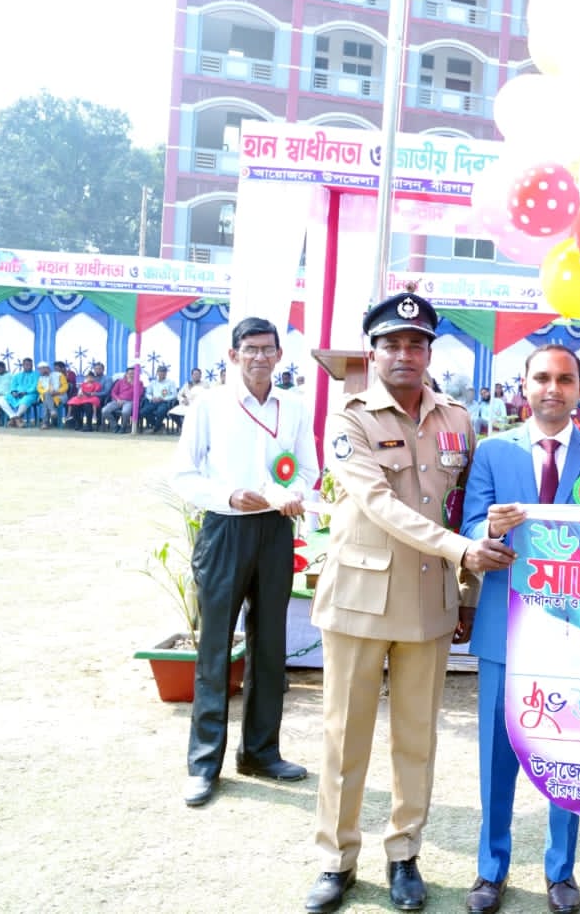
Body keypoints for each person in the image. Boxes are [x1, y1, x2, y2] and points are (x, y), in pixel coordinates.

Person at [305, 293, 512, 914]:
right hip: (361, 599)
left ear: (429, 353)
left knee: (416, 738)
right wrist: (461, 550)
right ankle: (336, 859)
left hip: (427, 598)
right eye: (392, 344)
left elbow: (466, 507)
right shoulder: (351, 419)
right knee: (347, 737)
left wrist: (469, 582)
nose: (404, 354)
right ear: (373, 352)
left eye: (415, 344)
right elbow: (377, 503)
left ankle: (404, 855)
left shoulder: (456, 419)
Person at [458, 345, 580, 914]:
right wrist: (491, 529)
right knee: (497, 755)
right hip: (505, 622)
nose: (553, 388)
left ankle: (561, 871)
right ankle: (490, 871)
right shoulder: (493, 451)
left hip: (576, 629)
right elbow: (470, 524)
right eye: (542, 378)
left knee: (568, 750)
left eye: (565, 379)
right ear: (522, 385)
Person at [170, 317, 319, 809]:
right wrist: (231, 495)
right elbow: (185, 475)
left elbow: (308, 470)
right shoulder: (209, 405)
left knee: (269, 645)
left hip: (276, 530)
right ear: (232, 356)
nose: (259, 357)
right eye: (249, 349)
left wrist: (294, 495)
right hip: (225, 528)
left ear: (280, 356)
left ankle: (260, 751)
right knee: (215, 647)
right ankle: (204, 763)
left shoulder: (294, 408)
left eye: (268, 349)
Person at [165, 367, 208, 433]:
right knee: (172, 413)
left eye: (198, 374)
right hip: (186, 405)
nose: (196, 376)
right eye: (195, 374)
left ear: (201, 375)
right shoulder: (187, 384)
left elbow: (207, 397)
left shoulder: (205, 385)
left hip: (199, 406)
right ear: (192, 375)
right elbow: (179, 394)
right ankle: (183, 427)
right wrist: (183, 400)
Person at [101, 366, 144, 433]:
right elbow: (113, 392)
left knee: (125, 412)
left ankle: (123, 428)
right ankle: (115, 426)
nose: (131, 375)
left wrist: (133, 385)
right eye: (130, 373)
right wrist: (117, 399)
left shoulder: (139, 383)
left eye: (133, 374)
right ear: (126, 374)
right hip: (118, 400)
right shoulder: (120, 382)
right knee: (104, 411)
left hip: (130, 401)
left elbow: (139, 394)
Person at [0, 358, 39, 425]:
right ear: (23, 365)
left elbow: (35, 386)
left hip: (30, 394)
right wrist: (13, 392)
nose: (28, 366)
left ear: (32, 365)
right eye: (26, 365)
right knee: (2, 400)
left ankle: (16, 417)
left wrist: (26, 392)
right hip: (17, 395)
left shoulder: (36, 375)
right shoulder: (17, 375)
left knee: (25, 400)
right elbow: (13, 385)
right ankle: (13, 416)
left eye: (30, 365)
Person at [143, 365, 178, 433]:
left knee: (160, 412)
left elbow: (174, 395)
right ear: (157, 373)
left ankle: (155, 429)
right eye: (160, 372)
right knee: (143, 412)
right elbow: (147, 393)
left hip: (165, 402)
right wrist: (152, 398)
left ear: (166, 373)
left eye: (164, 372)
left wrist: (163, 399)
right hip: (154, 401)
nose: (162, 374)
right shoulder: (153, 382)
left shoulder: (171, 382)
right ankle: (159, 425)